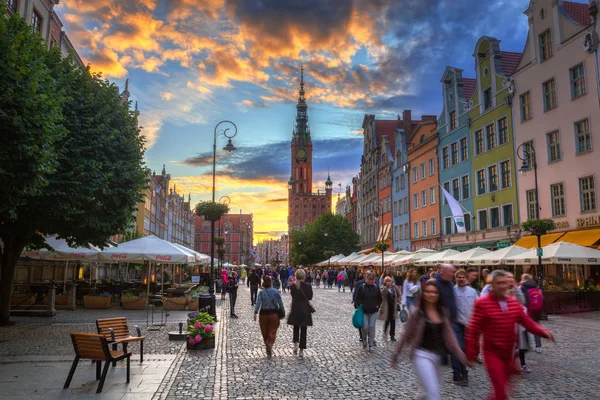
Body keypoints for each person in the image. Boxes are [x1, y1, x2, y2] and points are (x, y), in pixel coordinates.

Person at [466, 270, 556, 400]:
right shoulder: (482, 303)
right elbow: (473, 330)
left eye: (504, 283)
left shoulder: (513, 303)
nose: (502, 286)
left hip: (509, 354)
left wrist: (544, 332)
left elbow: (527, 322)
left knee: (502, 391)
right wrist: (470, 354)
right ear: (492, 285)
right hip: (492, 353)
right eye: (499, 283)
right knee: (501, 392)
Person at [391, 280, 469, 400]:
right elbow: (405, 335)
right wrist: (396, 355)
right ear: (423, 294)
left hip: (438, 356)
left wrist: (461, 355)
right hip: (421, 354)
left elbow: (450, 337)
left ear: (438, 295)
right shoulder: (417, 313)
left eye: (434, 292)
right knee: (434, 393)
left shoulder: (443, 312)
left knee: (427, 391)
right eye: (428, 292)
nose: (431, 294)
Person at [453, 268, 479, 385]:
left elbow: (478, 306)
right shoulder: (452, 291)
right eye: (459, 277)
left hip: (469, 324)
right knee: (459, 347)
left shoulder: (472, 292)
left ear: (466, 278)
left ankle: (462, 372)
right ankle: (459, 373)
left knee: (465, 349)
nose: (461, 279)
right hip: (456, 323)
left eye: (463, 277)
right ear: (456, 278)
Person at [254, 276, 285, 358]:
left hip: (263, 314)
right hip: (273, 314)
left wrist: (255, 312)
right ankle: (270, 343)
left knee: (264, 331)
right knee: (272, 331)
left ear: (263, 283)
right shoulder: (276, 292)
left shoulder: (261, 292)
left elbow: (258, 303)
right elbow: (280, 303)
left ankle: (267, 344)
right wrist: (282, 312)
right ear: (271, 282)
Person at [287, 269, 314, 358]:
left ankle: (295, 343)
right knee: (303, 329)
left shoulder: (293, 286)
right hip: (304, 310)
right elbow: (310, 297)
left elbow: (293, 296)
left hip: (295, 309)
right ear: (304, 276)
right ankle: (301, 350)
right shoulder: (308, 286)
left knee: (296, 327)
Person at [354, 271, 382, 353]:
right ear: (366, 279)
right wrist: (359, 305)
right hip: (364, 311)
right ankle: (364, 339)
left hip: (374, 311)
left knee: (372, 326)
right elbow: (357, 298)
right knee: (365, 327)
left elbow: (380, 299)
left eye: (372, 279)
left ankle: (371, 345)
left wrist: (378, 305)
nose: (371, 281)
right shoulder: (362, 287)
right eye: (369, 279)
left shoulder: (376, 288)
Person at [520, 273, 543, 353]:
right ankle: (539, 346)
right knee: (536, 327)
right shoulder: (535, 286)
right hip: (536, 310)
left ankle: (526, 346)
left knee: (524, 328)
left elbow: (521, 299)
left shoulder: (522, 287)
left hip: (527, 310)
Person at [379, 276, 401, 341]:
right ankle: (385, 333)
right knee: (387, 321)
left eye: (389, 281)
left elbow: (399, 294)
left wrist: (398, 301)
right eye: (387, 281)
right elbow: (381, 294)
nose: (388, 282)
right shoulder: (383, 287)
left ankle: (392, 336)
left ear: (392, 281)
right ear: (385, 282)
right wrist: (386, 288)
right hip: (386, 307)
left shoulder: (394, 287)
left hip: (393, 307)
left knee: (393, 322)